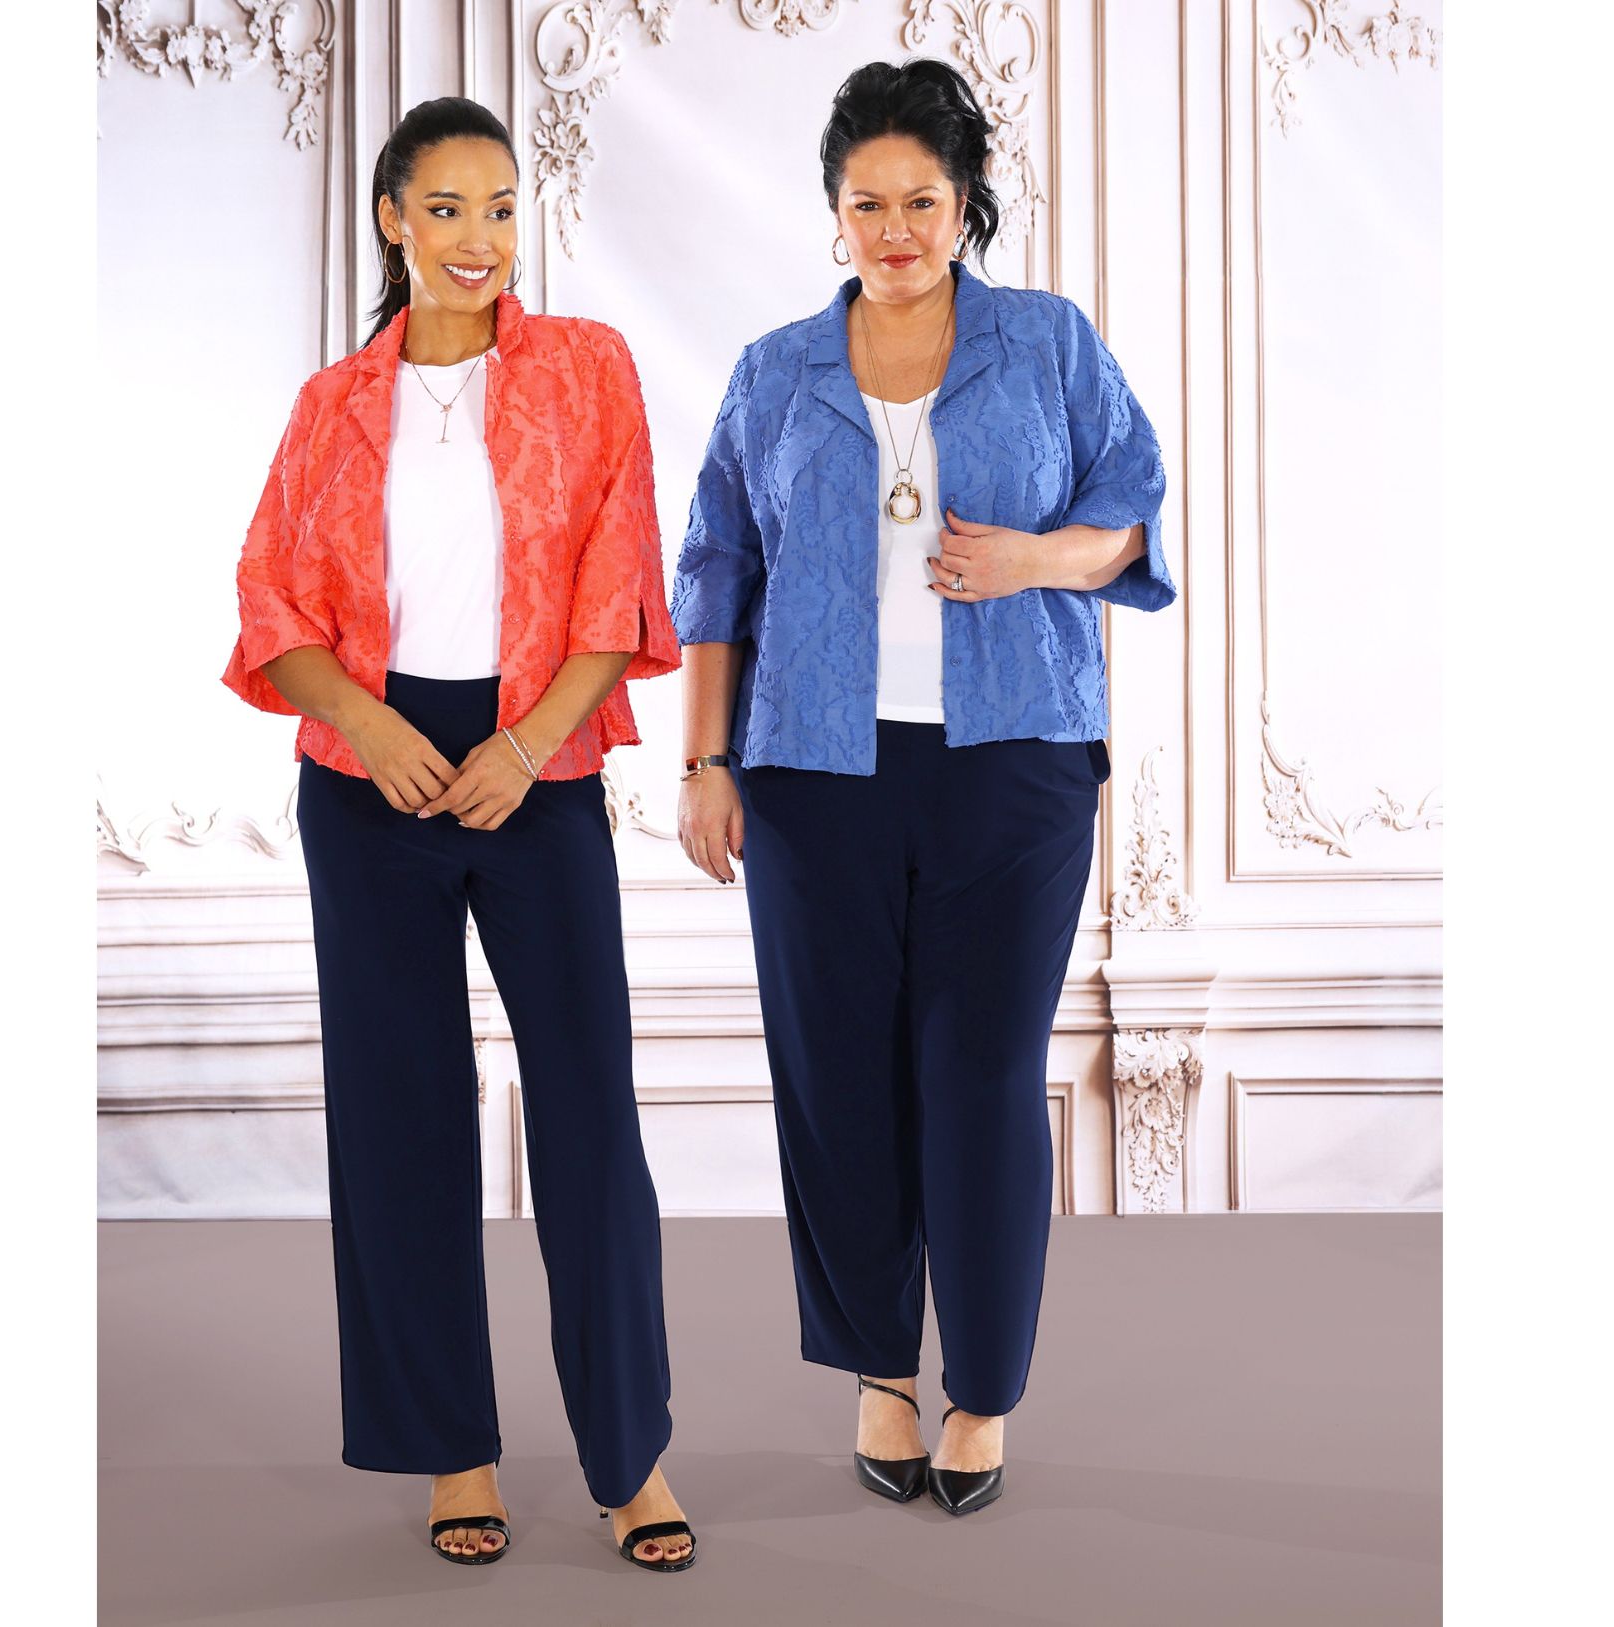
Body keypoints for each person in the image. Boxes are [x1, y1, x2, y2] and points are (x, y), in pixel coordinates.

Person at [670, 59, 1173, 1520]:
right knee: (840, 1081)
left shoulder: (1048, 342)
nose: (894, 230)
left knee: (980, 1079)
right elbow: (714, 572)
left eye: (922, 202)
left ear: (967, 207)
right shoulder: (774, 372)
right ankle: (881, 1370)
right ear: (835, 213)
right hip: (811, 775)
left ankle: (984, 1393)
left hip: (1013, 766)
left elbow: (1132, 508)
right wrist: (704, 763)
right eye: (867, 204)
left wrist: (1028, 559)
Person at [222, 96, 697, 1572]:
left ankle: (631, 1457)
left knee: (588, 1111)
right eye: (445, 209)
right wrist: (368, 732)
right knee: (400, 1117)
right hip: (369, 777)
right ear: (392, 221)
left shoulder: (587, 369)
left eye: (499, 208)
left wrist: (527, 746)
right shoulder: (333, 404)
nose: (479, 238)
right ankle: (453, 1449)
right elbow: (270, 602)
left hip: (534, 765)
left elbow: (621, 583)